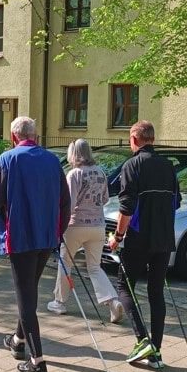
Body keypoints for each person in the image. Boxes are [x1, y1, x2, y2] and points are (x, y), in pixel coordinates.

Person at [0, 117, 71, 372]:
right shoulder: (52, 161)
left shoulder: (7, 159)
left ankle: (37, 362)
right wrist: (57, 232)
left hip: (21, 236)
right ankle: (18, 340)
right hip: (46, 237)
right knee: (29, 290)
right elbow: (65, 202)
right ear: (34, 136)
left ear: (14, 137)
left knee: (26, 296)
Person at [108, 120, 181, 369]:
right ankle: (156, 352)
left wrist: (117, 237)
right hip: (163, 239)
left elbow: (126, 208)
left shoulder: (132, 165)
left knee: (124, 286)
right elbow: (176, 202)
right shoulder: (168, 166)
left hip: (139, 239)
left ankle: (142, 340)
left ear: (135, 139)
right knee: (156, 293)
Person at [48, 139, 123, 324]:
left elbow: (69, 203)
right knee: (95, 267)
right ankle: (112, 301)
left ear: (73, 154)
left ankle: (60, 301)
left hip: (76, 225)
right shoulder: (100, 173)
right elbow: (105, 198)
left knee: (66, 263)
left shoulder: (74, 174)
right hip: (98, 225)